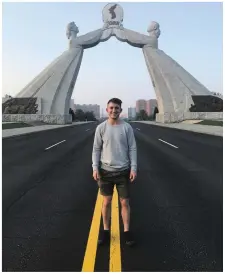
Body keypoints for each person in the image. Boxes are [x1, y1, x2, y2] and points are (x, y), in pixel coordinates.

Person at [92, 98, 137, 246]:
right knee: (106, 202)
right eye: (111, 108)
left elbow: (132, 148)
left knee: (125, 202)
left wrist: (134, 168)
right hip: (105, 171)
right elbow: (96, 149)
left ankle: (126, 232)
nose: (114, 110)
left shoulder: (127, 127)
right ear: (107, 110)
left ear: (120, 110)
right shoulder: (101, 128)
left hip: (123, 171)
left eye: (116, 108)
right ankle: (105, 231)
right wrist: (95, 167)